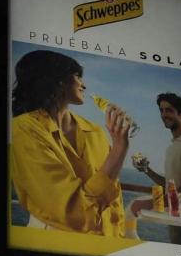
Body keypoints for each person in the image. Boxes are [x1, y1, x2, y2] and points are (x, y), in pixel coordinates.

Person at [9, 50, 131, 236]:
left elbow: (115, 202)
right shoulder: (25, 129)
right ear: (57, 80)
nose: (84, 85)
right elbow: (77, 215)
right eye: (77, 76)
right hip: (53, 247)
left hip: (106, 248)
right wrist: (119, 148)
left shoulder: (96, 132)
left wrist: (120, 241)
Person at [129, 92, 181, 222]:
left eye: (169, 110)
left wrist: (149, 203)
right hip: (175, 215)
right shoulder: (173, 147)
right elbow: (170, 185)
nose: (163, 115)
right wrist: (146, 170)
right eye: (161, 110)